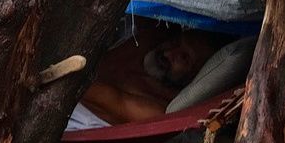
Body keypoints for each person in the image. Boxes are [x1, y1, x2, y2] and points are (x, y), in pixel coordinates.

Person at [79, 25, 229, 123]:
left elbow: (104, 97)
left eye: (184, 58)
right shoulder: (153, 31)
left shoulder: (155, 110)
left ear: (194, 77)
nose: (169, 52)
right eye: (176, 42)